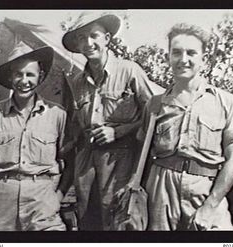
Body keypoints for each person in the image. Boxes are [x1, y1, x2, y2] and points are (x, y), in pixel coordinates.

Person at [137, 23, 233, 231]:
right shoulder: (155, 103)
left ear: (203, 58)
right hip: (161, 189)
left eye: (191, 53)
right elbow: (141, 149)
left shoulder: (225, 102)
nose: (183, 59)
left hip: (206, 187)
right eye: (176, 52)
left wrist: (211, 206)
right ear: (168, 56)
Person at [62, 12, 160, 230]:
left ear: (106, 38)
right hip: (87, 162)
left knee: (120, 220)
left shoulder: (129, 70)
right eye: (81, 38)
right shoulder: (77, 82)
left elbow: (154, 115)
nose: (88, 43)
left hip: (122, 160)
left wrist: (119, 131)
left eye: (93, 35)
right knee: (88, 219)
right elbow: (76, 126)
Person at [0, 43, 68, 231]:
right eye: (18, 74)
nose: (24, 81)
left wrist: (57, 198)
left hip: (41, 203)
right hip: (0, 202)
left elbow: (69, 161)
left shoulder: (57, 114)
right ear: (10, 77)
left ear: (40, 77)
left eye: (30, 74)